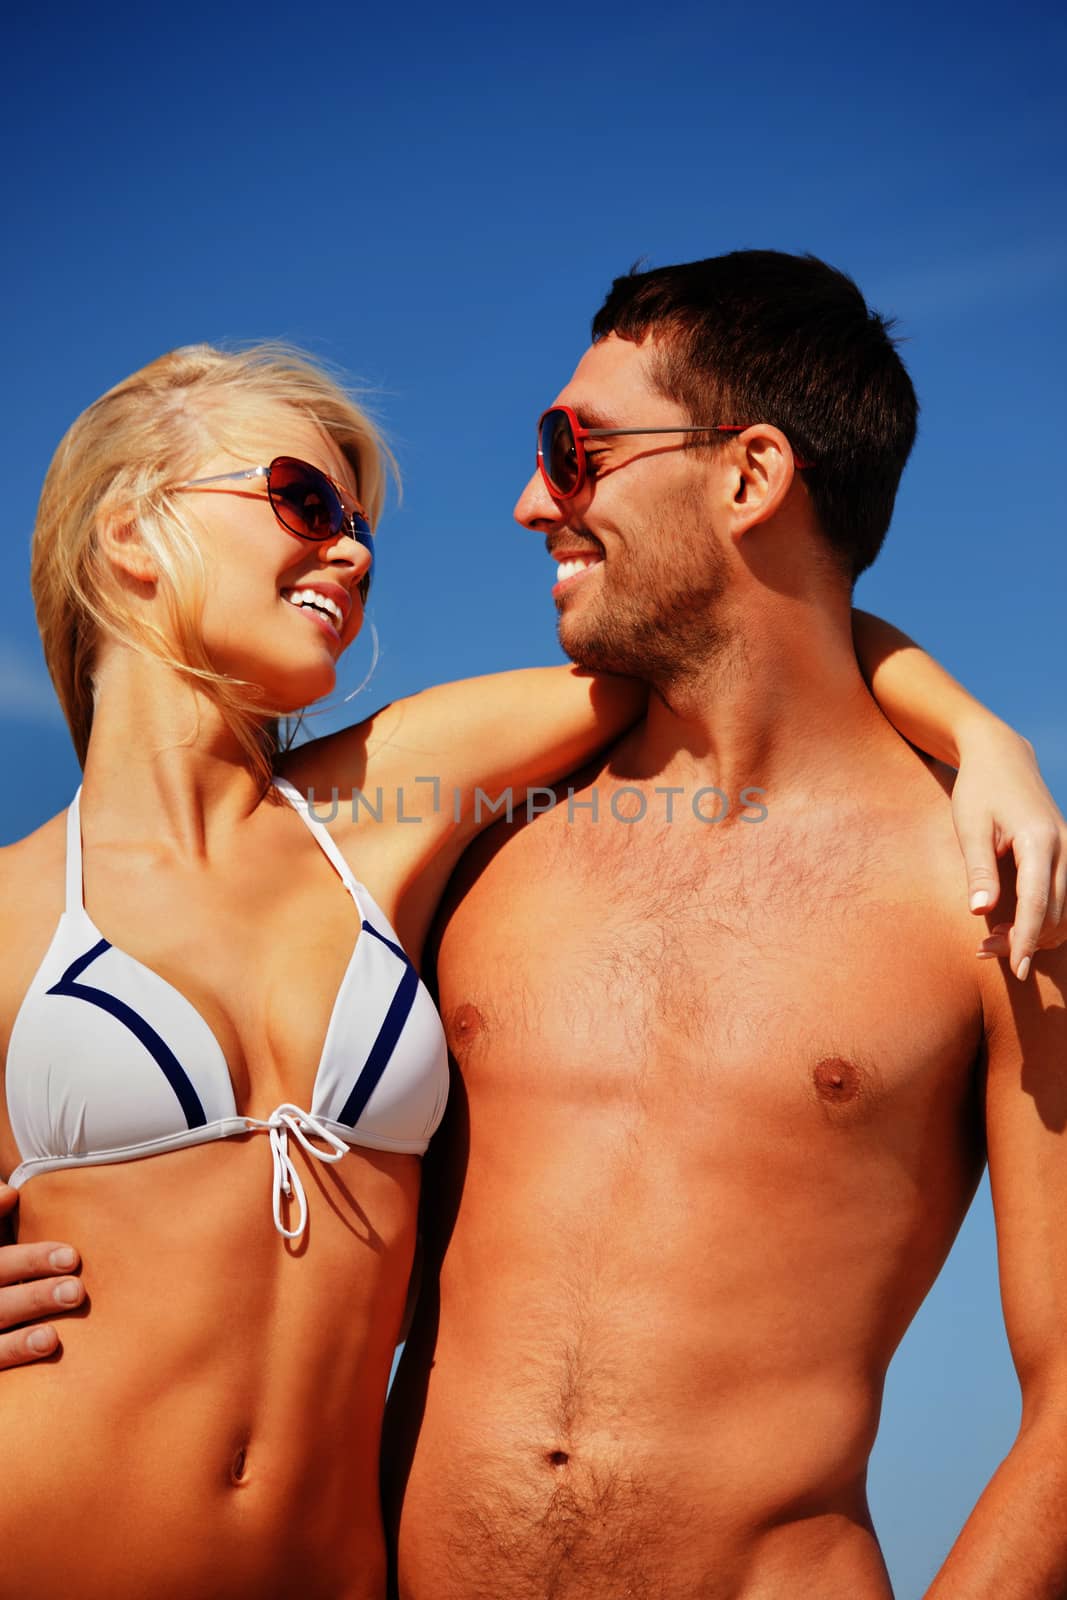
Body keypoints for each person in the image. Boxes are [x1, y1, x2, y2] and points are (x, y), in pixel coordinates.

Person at [0, 328, 1061, 1599]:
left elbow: (742, 624)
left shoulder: (386, 809)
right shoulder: (15, 903)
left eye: (360, 524)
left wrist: (976, 730)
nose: (350, 547)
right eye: (304, 499)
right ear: (130, 529)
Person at [383, 252, 1067, 1600]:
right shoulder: (472, 827)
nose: (530, 503)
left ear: (749, 477)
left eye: (571, 450)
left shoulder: (990, 888)